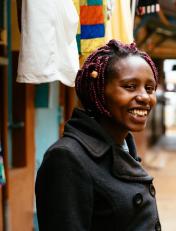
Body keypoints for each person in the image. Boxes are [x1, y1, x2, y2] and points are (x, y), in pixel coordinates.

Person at [35, 40, 161, 231]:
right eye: (130, 86)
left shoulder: (124, 148)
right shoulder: (67, 158)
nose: (144, 97)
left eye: (149, 88)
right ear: (98, 91)